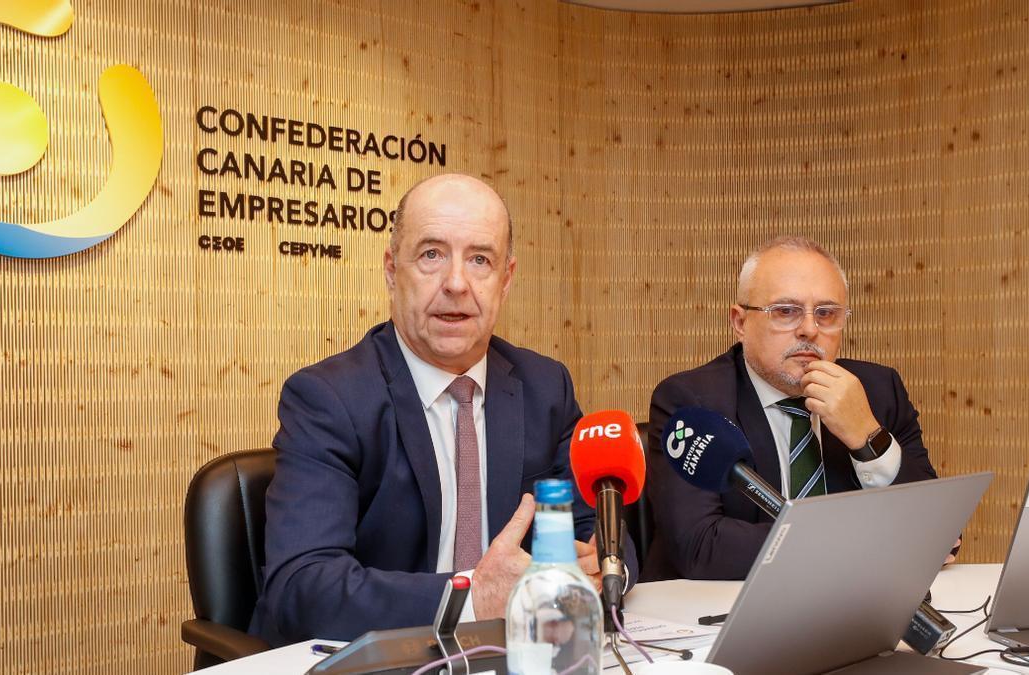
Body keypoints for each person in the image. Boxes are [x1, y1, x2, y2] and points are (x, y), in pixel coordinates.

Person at [249, 173, 636, 645]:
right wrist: (473, 598)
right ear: (392, 269)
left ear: (506, 279)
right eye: (432, 254)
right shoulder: (328, 398)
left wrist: (597, 568)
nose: (456, 283)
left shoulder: (543, 387)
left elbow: (601, 536)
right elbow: (303, 589)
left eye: (480, 259)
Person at [642, 236, 942, 581]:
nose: (810, 329)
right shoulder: (692, 401)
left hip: (850, 606)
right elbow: (701, 546)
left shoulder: (877, 390)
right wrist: (861, 542)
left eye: (827, 313)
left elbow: (936, 532)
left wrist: (867, 438)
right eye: (786, 312)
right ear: (740, 323)